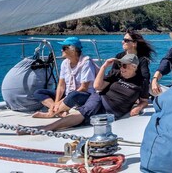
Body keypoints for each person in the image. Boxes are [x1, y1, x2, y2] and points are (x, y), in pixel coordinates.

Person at [18, 54, 149, 133]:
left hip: (112, 112)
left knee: (84, 120)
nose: (121, 68)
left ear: (134, 67)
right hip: (100, 98)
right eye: (120, 65)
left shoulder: (141, 83)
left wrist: (139, 107)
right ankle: (45, 128)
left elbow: (144, 100)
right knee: (84, 113)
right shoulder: (116, 74)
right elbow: (97, 86)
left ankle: (45, 124)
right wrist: (104, 67)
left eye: (125, 66)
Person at [32, 37, 96, 118]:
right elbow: (61, 85)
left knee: (73, 95)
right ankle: (59, 111)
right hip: (67, 94)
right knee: (38, 92)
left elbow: (84, 88)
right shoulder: (65, 63)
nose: (61, 50)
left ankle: (50, 114)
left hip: (82, 95)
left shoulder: (86, 63)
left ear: (73, 50)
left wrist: (62, 100)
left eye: (64, 48)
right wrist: (56, 102)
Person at [110, 29, 156, 96]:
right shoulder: (119, 56)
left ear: (134, 43)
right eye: (123, 39)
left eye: (126, 40)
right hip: (120, 87)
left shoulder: (142, 59)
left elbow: (145, 78)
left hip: (134, 89)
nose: (122, 42)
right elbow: (112, 74)